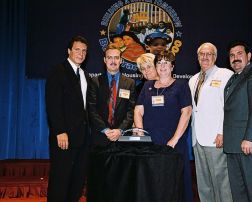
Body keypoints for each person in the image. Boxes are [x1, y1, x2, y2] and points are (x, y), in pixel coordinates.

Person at [134, 50, 193, 202]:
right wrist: (141, 134)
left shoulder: (181, 86)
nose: (162, 65)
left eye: (166, 62)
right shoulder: (147, 85)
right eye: (159, 62)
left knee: (174, 184)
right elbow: (138, 111)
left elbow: (186, 113)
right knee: (152, 182)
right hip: (151, 144)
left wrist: (174, 139)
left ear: (172, 66)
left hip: (173, 144)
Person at [223, 41, 252, 202]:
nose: (235, 58)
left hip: (250, 146)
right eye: (232, 55)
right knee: (239, 194)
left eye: (239, 54)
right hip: (233, 146)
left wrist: (249, 138)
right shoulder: (232, 79)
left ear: (248, 56)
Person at [45, 35, 90, 202]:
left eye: (84, 51)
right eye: (77, 49)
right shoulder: (58, 71)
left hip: (83, 138)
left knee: (77, 181)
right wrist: (60, 131)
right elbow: (53, 105)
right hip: (64, 137)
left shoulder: (85, 75)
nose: (81, 53)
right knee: (60, 180)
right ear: (69, 51)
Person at [189, 42, 233, 202]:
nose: (205, 57)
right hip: (197, 139)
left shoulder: (225, 74)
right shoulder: (193, 80)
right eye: (202, 54)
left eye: (209, 54)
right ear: (198, 57)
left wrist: (223, 131)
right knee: (204, 184)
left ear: (215, 57)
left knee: (221, 182)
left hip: (216, 138)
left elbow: (227, 107)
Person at [88, 43, 136, 147]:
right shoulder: (95, 82)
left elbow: (131, 111)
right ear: (104, 60)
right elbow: (92, 109)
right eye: (109, 58)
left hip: (122, 138)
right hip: (100, 137)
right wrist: (105, 130)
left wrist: (120, 130)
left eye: (116, 58)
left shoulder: (130, 83)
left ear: (121, 60)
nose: (113, 61)